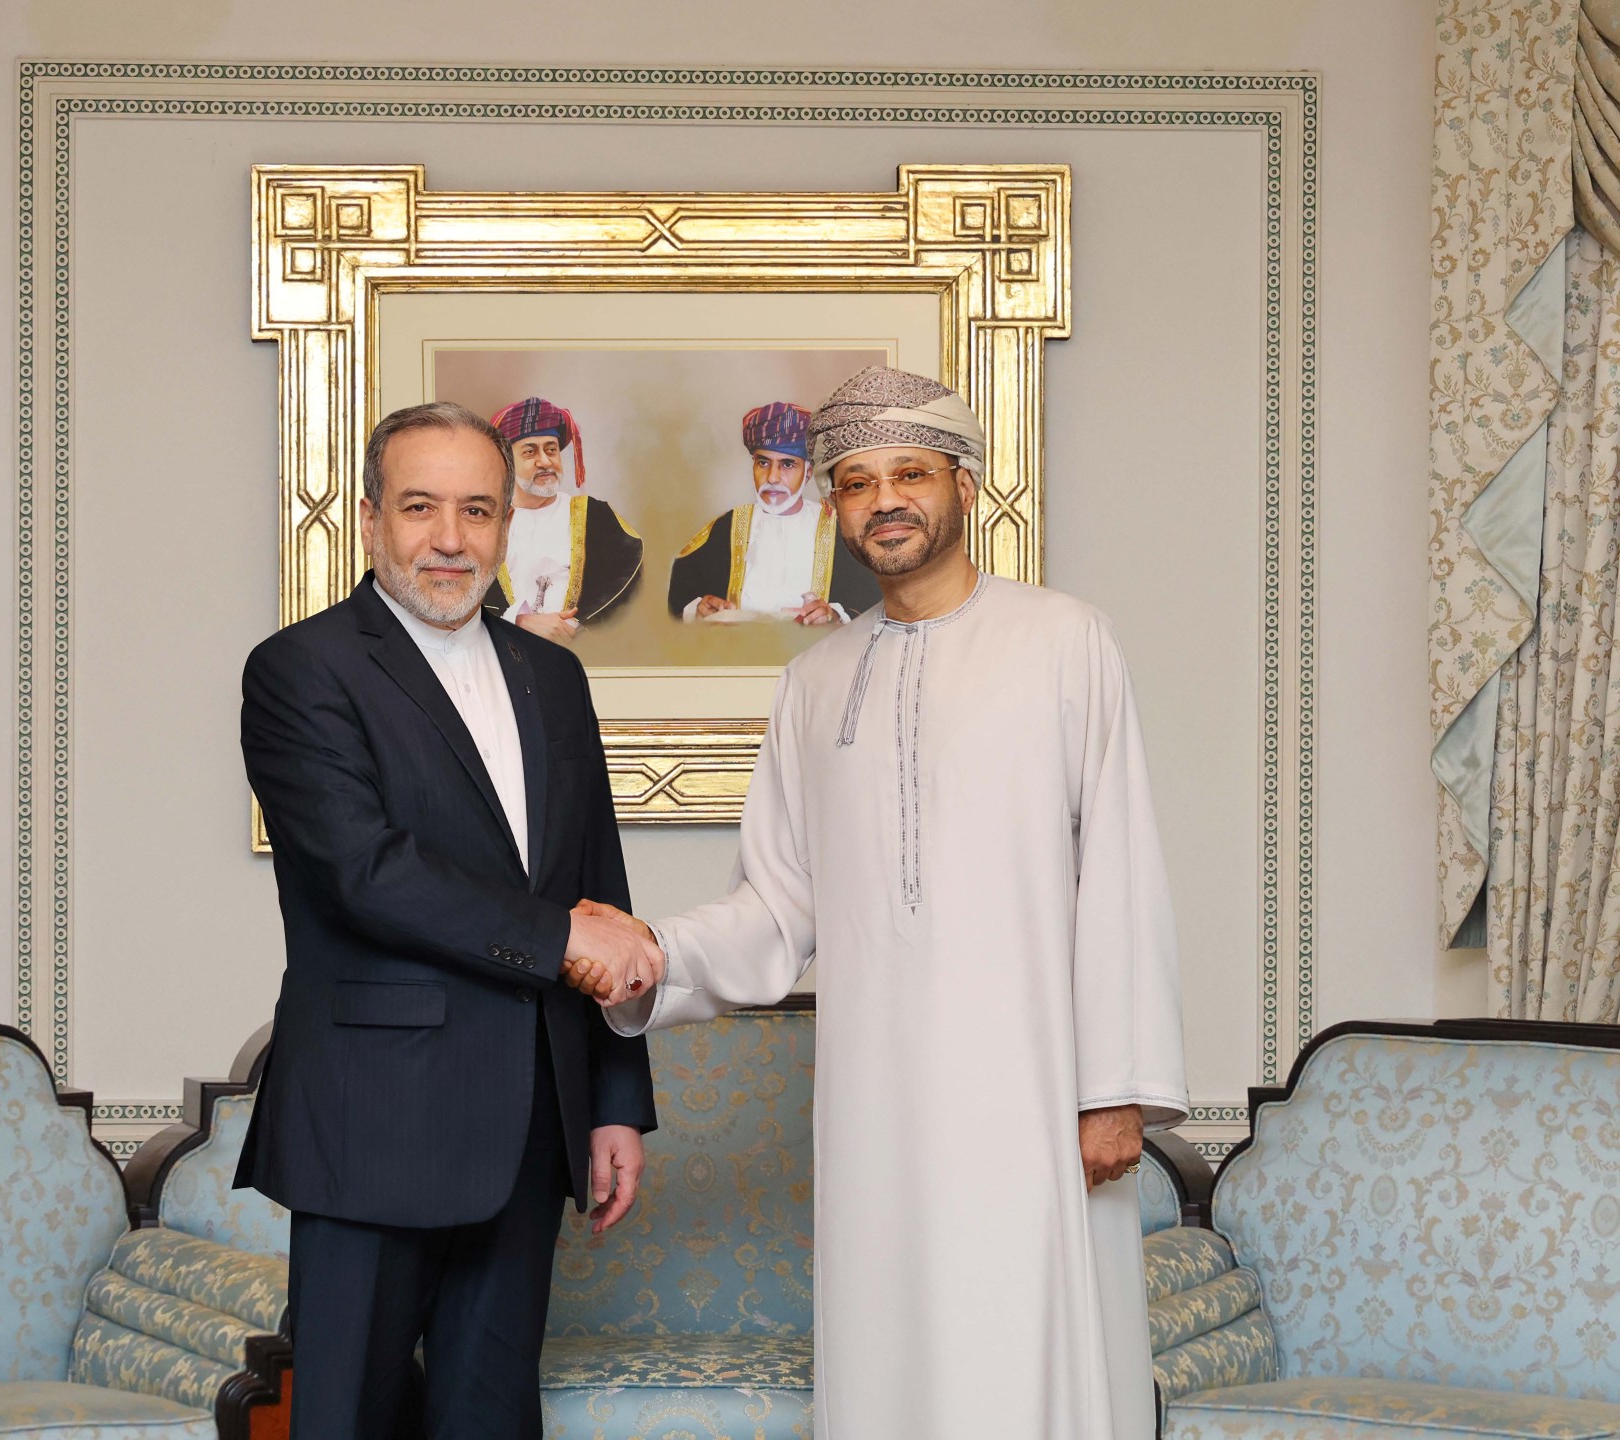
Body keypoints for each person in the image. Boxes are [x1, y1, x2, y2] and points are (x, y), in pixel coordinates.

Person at [563, 367, 1187, 1440]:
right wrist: (655, 952)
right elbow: (776, 907)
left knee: (1029, 1351)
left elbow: (1122, 869)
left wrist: (1113, 1089)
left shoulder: (1064, 640)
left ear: (964, 486)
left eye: (911, 474)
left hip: (1035, 1096)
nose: (885, 500)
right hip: (875, 1111)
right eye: (856, 482)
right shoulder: (812, 683)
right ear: (835, 508)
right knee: (893, 1357)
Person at [237, 401, 659, 1439]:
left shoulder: (553, 676)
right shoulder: (299, 669)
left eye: (477, 510)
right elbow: (365, 873)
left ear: (507, 524)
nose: (450, 538)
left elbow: (597, 884)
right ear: (371, 519)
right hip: (373, 1118)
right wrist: (563, 940)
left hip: (533, 1121)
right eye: (420, 507)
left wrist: (614, 1101)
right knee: (347, 1420)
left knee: (491, 1420)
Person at [668, 401, 881, 626]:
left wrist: (835, 615)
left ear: (808, 472)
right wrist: (699, 608)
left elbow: (873, 601)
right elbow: (681, 598)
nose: (772, 478)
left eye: (787, 465)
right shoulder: (727, 528)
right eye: (763, 463)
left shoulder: (840, 529)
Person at [480, 395, 643, 642]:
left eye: (551, 450)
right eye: (530, 452)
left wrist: (576, 628)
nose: (545, 461)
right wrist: (518, 620)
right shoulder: (485, 524)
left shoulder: (595, 516)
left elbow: (630, 579)